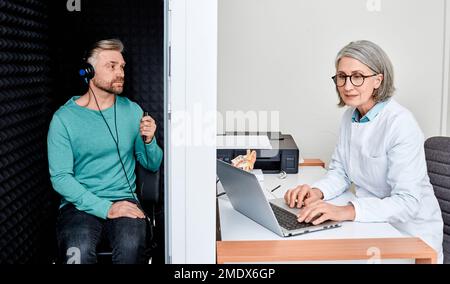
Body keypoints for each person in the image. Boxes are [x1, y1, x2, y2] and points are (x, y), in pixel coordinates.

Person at [284, 40, 444, 263]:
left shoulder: (400, 123)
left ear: (378, 80)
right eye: (342, 76)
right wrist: (316, 191)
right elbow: (340, 172)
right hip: (372, 225)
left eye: (358, 76)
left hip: (410, 234)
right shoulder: (350, 116)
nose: (348, 86)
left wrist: (346, 211)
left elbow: (407, 202)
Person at [47, 39, 163, 264]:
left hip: (125, 200)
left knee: (131, 248)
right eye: (111, 66)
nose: (120, 72)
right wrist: (106, 208)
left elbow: (152, 164)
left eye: (122, 67)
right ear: (88, 71)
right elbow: (61, 178)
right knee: (77, 250)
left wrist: (149, 141)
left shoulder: (132, 111)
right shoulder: (63, 119)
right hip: (78, 205)